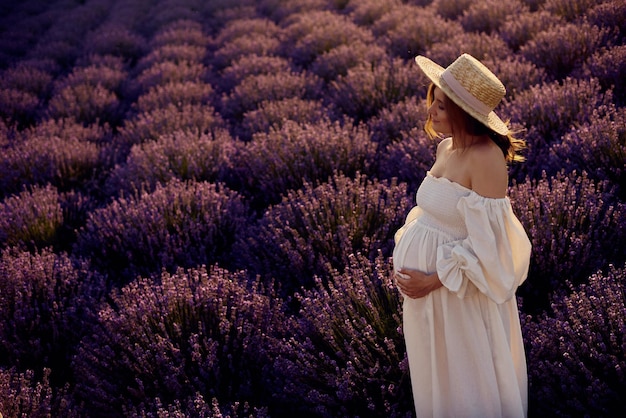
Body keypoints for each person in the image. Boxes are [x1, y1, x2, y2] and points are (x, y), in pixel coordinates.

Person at [393, 53, 532, 418]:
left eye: (441, 106)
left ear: (463, 112)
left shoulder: (486, 159)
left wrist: (431, 280)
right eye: (433, 102)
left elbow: (492, 245)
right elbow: (431, 216)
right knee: (439, 383)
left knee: (466, 385)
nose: (431, 113)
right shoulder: (446, 148)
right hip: (427, 298)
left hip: (457, 296)